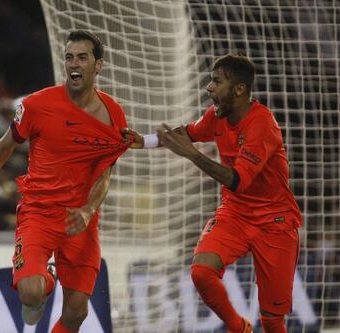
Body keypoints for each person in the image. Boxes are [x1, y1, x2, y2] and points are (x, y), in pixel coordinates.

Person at [0, 30, 130, 333]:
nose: (74, 64)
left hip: (80, 220)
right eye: (69, 57)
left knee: (76, 313)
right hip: (39, 213)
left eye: (82, 57)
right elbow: (3, 147)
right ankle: (47, 278)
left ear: (98, 65)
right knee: (31, 291)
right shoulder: (37, 105)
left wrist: (87, 210)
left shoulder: (113, 114)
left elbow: (105, 173)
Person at [123, 54, 302, 333]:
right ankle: (239, 327)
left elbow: (239, 180)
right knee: (201, 272)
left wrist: (193, 156)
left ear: (239, 89)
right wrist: (144, 141)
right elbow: (186, 134)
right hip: (235, 213)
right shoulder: (216, 116)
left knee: (271, 319)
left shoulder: (261, 124)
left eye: (216, 81)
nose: (209, 88)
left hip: (274, 222)